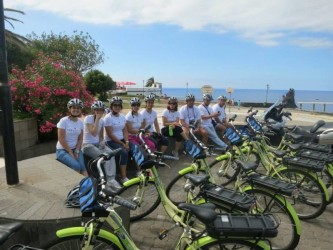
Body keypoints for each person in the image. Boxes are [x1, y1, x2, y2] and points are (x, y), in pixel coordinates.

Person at [82, 100, 122, 191]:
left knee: (110, 154)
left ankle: (111, 180)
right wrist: (97, 119)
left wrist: (102, 142)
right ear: (93, 110)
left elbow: (100, 135)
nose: (99, 112)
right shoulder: (88, 118)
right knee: (104, 158)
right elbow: (93, 133)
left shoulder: (102, 121)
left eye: (101, 110)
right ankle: (105, 183)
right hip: (87, 145)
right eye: (97, 110)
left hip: (97, 145)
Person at [56, 98, 87, 176]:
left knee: (83, 167)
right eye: (74, 107)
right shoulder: (63, 121)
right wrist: (70, 152)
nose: (76, 110)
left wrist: (76, 150)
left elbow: (80, 138)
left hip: (75, 149)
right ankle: (78, 186)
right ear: (69, 109)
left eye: (78, 108)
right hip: (62, 150)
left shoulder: (80, 122)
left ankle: (91, 186)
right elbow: (61, 139)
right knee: (76, 166)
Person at [104, 96, 130, 184]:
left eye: (119, 105)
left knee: (136, 148)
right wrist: (122, 144)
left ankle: (140, 171)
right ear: (111, 106)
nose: (117, 107)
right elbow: (110, 134)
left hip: (122, 140)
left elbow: (125, 130)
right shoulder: (108, 118)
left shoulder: (122, 116)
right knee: (123, 152)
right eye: (115, 105)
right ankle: (123, 177)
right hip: (111, 141)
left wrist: (126, 142)